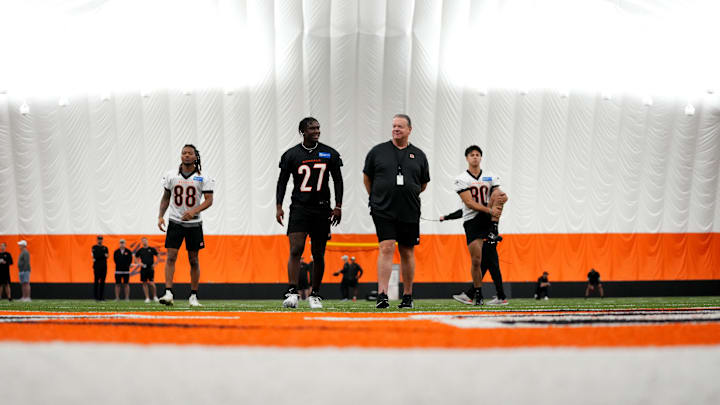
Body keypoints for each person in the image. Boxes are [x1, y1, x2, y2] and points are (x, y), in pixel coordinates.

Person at [276, 117, 344, 309]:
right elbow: (282, 182)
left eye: (318, 128)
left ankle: (315, 294)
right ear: (302, 131)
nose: (317, 131)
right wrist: (278, 206)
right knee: (296, 249)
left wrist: (338, 206)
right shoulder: (291, 155)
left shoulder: (329, 153)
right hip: (299, 208)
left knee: (318, 253)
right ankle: (292, 292)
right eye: (312, 128)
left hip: (322, 209)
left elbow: (338, 181)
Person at [363, 114, 430, 309]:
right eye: (393, 126)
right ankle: (382, 294)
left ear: (409, 129)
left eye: (400, 126)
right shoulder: (378, 152)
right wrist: (376, 198)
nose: (396, 129)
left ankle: (408, 295)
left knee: (407, 251)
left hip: (409, 210)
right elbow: (367, 178)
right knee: (386, 247)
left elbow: (423, 183)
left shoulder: (419, 155)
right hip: (383, 209)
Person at [157, 144, 215, 307]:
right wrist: (160, 216)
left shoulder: (204, 177)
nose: (186, 155)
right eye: (184, 153)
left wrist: (194, 211)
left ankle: (193, 296)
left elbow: (209, 200)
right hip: (175, 221)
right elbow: (166, 198)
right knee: (171, 257)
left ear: (196, 157)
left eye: (190, 153)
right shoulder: (171, 175)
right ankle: (168, 292)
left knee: (194, 260)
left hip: (194, 224)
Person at [449, 145, 507, 305]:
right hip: (473, 220)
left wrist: (501, 198)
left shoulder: (490, 176)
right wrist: (490, 210)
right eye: (472, 155)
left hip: (489, 221)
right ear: (467, 158)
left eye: (477, 155)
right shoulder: (462, 178)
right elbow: (469, 203)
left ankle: (482, 295)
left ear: (481, 158)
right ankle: (478, 294)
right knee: (477, 260)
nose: (475, 157)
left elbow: (498, 194)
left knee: (490, 260)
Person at [441, 210, 508, 306]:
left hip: (485, 240)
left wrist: (446, 217)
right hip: (487, 239)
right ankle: (498, 296)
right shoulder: (486, 204)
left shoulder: (483, 205)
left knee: (485, 268)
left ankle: (472, 295)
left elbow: (465, 211)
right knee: (488, 268)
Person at [135, 237, 159, 303]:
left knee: (151, 283)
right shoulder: (140, 250)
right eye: (143, 241)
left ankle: (155, 296)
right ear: (142, 242)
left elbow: (158, 255)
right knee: (144, 283)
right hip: (143, 268)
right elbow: (135, 257)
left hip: (150, 268)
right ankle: (147, 298)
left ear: (147, 241)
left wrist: (155, 263)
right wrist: (139, 263)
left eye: (145, 240)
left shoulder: (151, 249)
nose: (144, 242)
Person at [91, 235, 109, 301]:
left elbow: (107, 256)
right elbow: (95, 256)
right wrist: (103, 255)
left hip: (104, 267)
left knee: (102, 282)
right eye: (99, 239)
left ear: (102, 240)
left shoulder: (105, 247)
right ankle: (96, 297)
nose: (100, 240)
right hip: (96, 267)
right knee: (96, 282)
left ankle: (102, 297)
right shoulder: (94, 247)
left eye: (101, 239)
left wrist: (101, 255)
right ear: (97, 240)